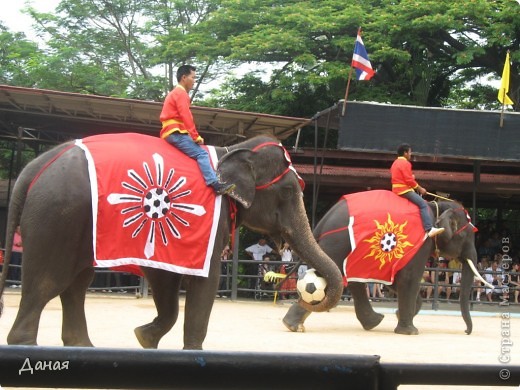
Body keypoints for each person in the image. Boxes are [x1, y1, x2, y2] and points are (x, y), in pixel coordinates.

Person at [160, 64, 234, 195]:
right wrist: (195, 136)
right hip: (176, 132)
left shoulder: (173, 93)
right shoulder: (181, 93)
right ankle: (215, 184)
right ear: (184, 78)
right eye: (193, 77)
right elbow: (186, 116)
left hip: (170, 131)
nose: (194, 81)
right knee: (202, 154)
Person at [390, 143, 444, 238]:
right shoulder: (405, 163)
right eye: (410, 152)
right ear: (405, 153)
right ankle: (429, 229)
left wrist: (411, 177)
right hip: (404, 190)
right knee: (423, 204)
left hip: (396, 189)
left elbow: (401, 177)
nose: (411, 154)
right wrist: (420, 189)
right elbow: (409, 180)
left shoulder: (395, 163)